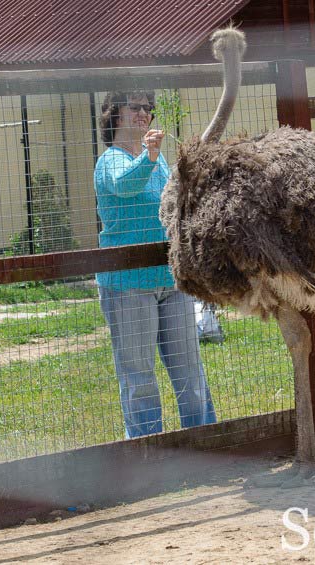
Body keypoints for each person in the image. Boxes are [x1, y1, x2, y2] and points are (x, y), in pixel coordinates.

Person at [94, 90, 217, 438]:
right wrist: (149, 156)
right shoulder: (111, 161)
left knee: (189, 370)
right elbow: (124, 186)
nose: (145, 114)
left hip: (171, 280)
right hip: (128, 285)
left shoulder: (157, 160)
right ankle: (149, 452)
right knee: (139, 376)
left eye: (148, 109)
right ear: (115, 113)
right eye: (136, 107)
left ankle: (205, 442)